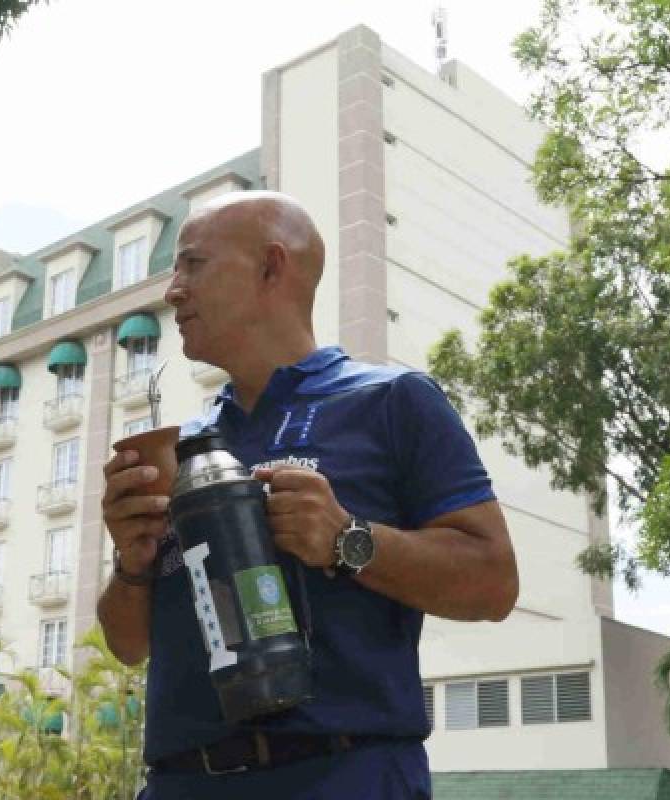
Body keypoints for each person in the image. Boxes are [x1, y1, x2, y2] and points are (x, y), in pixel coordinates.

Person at [98, 191, 518, 800]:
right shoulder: (176, 449)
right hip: (181, 782)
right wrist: (131, 564)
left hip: (345, 775)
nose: (173, 291)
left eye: (193, 264)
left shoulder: (392, 401)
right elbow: (127, 644)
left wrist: (349, 539)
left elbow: (495, 582)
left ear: (271, 267)